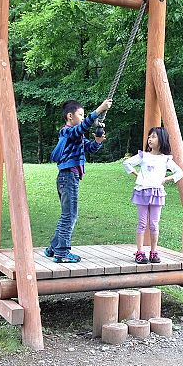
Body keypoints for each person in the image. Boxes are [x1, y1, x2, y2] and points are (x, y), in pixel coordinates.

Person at [45, 98, 112, 263]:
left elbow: (88, 148)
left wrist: (97, 141)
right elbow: (82, 128)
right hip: (68, 177)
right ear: (70, 116)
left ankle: (53, 248)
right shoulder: (66, 131)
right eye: (80, 115)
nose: (83, 118)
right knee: (70, 216)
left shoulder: (76, 136)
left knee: (67, 214)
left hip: (69, 177)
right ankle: (62, 253)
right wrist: (99, 110)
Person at [122, 126, 183, 264]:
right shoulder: (143, 156)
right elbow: (126, 163)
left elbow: (180, 173)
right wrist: (136, 174)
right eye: (149, 136)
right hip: (143, 192)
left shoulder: (166, 159)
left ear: (161, 139)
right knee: (142, 223)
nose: (150, 139)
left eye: (154, 136)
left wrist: (165, 179)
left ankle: (154, 252)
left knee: (154, 224)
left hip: (157, 193)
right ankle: (139, 252)